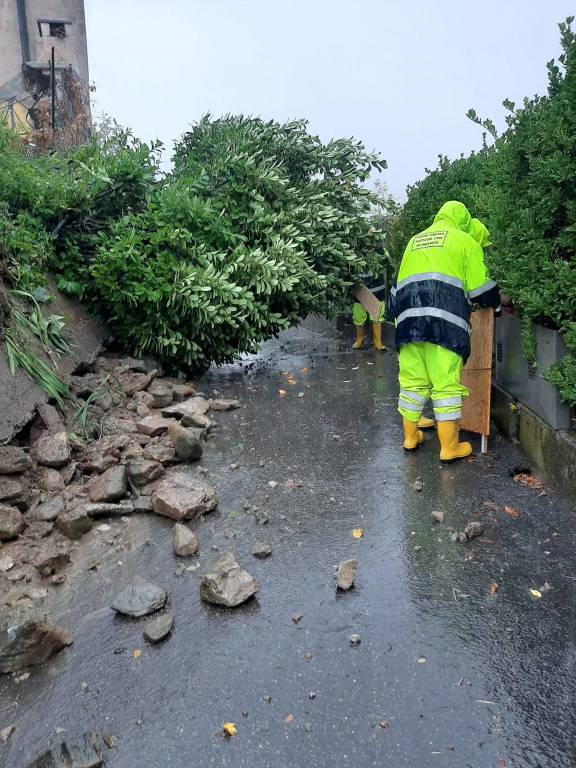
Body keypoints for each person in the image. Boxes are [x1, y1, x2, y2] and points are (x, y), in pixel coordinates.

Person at [387, 201, 500, 461]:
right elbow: (480, 289)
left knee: (412, 383)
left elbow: (395, 293)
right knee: (446, 385)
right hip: (444, 326)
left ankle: (410, 437)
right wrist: (495, 303)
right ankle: (449, 448)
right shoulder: (464, 240)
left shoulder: (414, 241)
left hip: (407, 325)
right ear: (464, 220)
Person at [352, 274, 387, 351]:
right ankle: (359, 339)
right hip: (360, 286)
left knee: (377, 314)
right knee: (358, 314)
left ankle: (377, 341)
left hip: (377, 286)